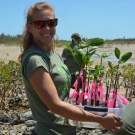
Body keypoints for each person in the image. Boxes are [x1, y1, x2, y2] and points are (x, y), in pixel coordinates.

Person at [18, 2, 123, 135]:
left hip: (67, 129)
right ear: (29, 27)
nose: (46, 28)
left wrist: (94, 96)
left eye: (51, 22)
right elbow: (55, 106)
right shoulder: (35, 60)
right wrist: (100, 119)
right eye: (40, 24)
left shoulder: (53, 55)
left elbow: (64, 91)